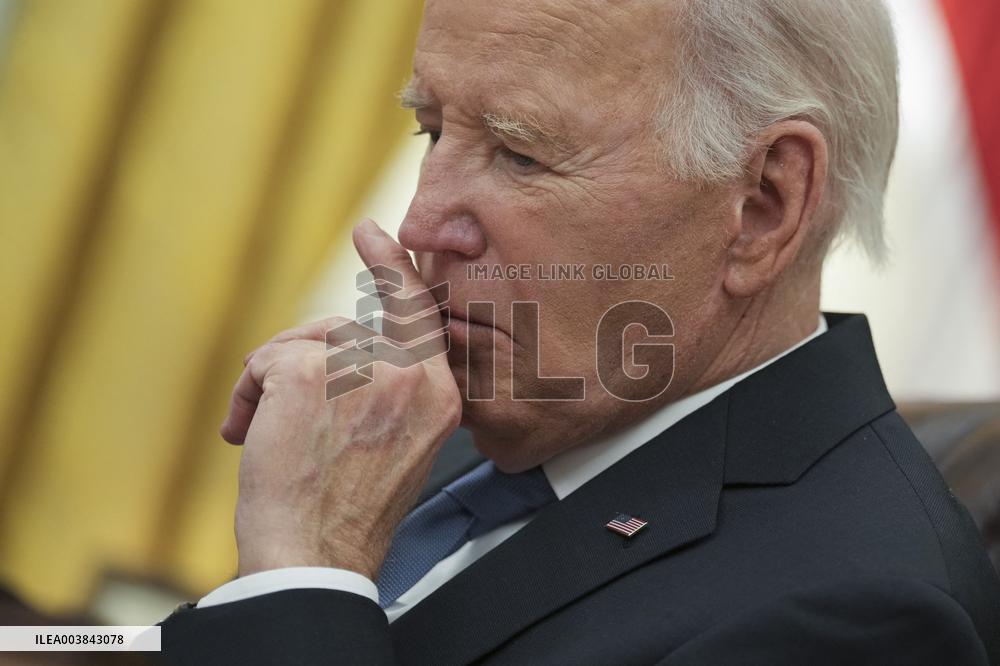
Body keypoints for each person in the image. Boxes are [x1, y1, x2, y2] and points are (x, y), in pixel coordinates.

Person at [158, 0, 1000, 663]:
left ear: (761, 207)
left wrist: (306, 569)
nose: (420, 224)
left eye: (522, 156)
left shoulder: (859, 615)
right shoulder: (444, 430)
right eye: (435, 129)